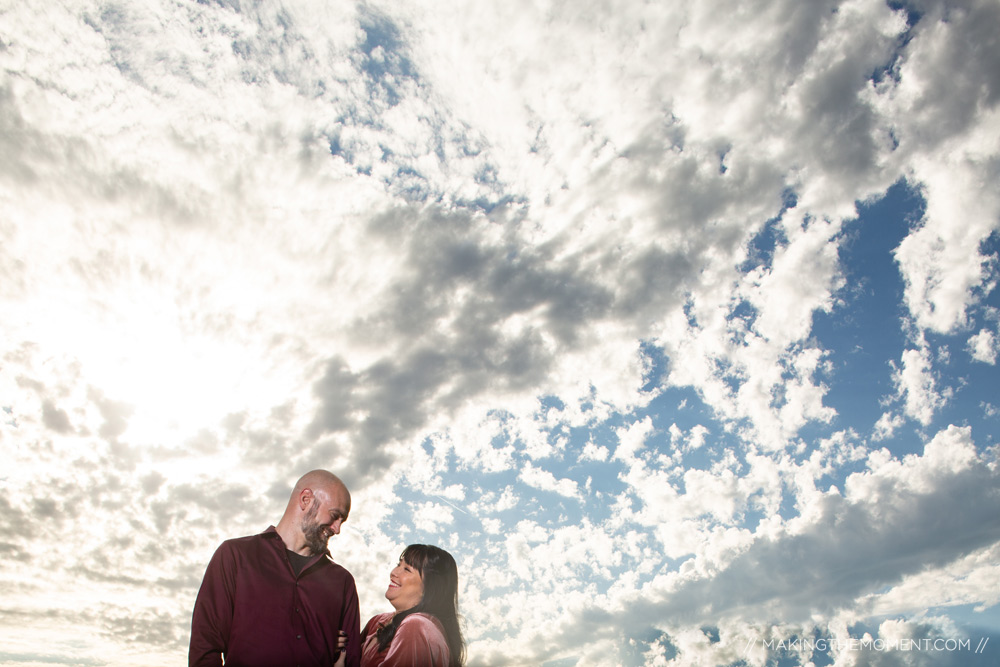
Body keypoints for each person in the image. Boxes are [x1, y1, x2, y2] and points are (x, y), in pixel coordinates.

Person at [189, 470, 361, 667]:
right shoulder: (235, 555)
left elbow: (351, 659)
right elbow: (205, 645)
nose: (337, 529)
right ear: (305, 499)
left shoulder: (342, 581)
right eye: (334, 516)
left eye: (342, 521)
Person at [347, 544, 465, 667]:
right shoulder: (377, 621)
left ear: (429, 588)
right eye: (398, 565)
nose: (393, 573)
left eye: (407, 569)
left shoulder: (417, 625)